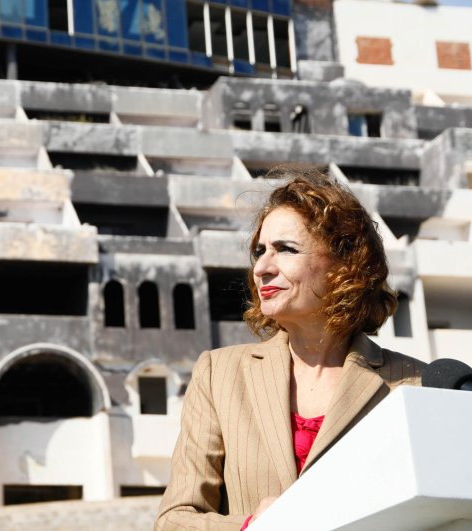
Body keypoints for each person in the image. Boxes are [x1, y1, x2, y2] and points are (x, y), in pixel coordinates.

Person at [155, 171, 426, 529]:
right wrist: (253, 526)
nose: (262, 268)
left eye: (285, 249)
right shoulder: (218, 374)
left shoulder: (412, 385)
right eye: (259, 252)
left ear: (345, 265)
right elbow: (174, 520)